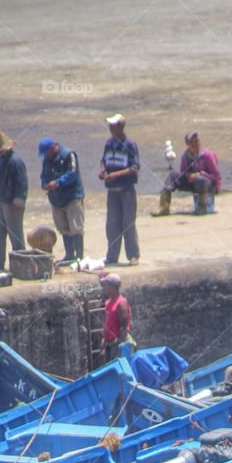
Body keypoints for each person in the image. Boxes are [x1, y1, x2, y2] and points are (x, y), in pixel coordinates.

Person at [100, 114, 140, 266]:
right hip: (112, 191)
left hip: (126, 190)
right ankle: (112, 256)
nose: (110, 128)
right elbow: (103, 160)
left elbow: (135, 168)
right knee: (112, 224)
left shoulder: (130, 145)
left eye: (113, 125)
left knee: (128, 223)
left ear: (120, 127)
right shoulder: (109, 143)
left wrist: (116, 175)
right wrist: (102, 170)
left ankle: (133, 256)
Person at [39, 136, 85, 263]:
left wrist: (58, 182)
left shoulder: (69, 154)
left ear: (53, 147)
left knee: (76, 227)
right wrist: (44, 184)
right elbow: (43, 175)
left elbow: (73, 173)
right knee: (63, 227)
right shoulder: (46, 160)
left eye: (46, 153)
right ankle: (69, 254)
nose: (46, 156)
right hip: (56, 199)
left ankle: (80, 256)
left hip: (72, 196)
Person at [154, 131, 221, 216]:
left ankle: (202, 207)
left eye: (196, 141)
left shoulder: (207, 155)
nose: (194, 144)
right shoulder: (185, 156)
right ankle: (164, 207)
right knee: (172, 175)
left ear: (199, 142)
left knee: (200, 179)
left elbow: (217, 176)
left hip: (209, 186)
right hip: (193, 184)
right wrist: (187, 175)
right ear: (187, 144)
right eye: (191, 142)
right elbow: (183, 171)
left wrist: (200, 174)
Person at [0, 130, 28, 269]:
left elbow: (22, 183)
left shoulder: (16, 161)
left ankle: (21, 262)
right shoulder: (2, 160)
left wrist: (18, 200)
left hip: (12, 202)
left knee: (15, 234)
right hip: (2, 199)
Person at [100, 272, 133, 361]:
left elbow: (124, 329)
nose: (104, 287)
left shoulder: (121, 304)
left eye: (106, 285)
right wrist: (104, 345)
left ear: (113, 287)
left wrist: (117, 349)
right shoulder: (108, 303)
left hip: (117, 345)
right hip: (109, 343)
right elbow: (108, 325)